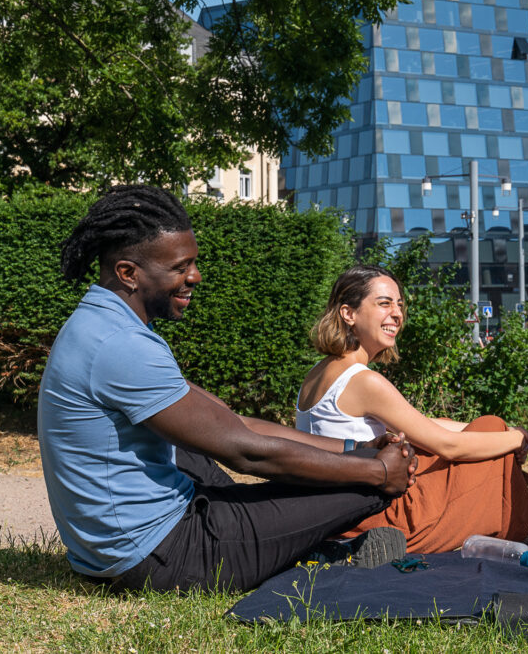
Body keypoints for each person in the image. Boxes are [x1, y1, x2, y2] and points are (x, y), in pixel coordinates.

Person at [38, 186, 418, 593]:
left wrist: (349, 450)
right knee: (367, 488)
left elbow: (231, 421)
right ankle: (324, 559)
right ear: (129, 273)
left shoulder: (103, 323)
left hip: (115, 548)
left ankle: (300, 545)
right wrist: (376, 470)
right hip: (157, 558)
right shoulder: (120, 345)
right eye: (180, 267)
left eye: (193, 263)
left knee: (193, 447)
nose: (195, 277)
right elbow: (244, 450)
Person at [296, 265, 528, 553]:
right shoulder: (363, 381)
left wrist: (503, 432)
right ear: (349, 314)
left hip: (336, 515)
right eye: (384, 303)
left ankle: (509, 521)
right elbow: (449, 446)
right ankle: (515, 526)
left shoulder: (319, 373)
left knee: (480, 429)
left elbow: (422, 423)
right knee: (492, 428)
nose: (397, 314)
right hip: (374, 520)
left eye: (399, 304)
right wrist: (516, 437)